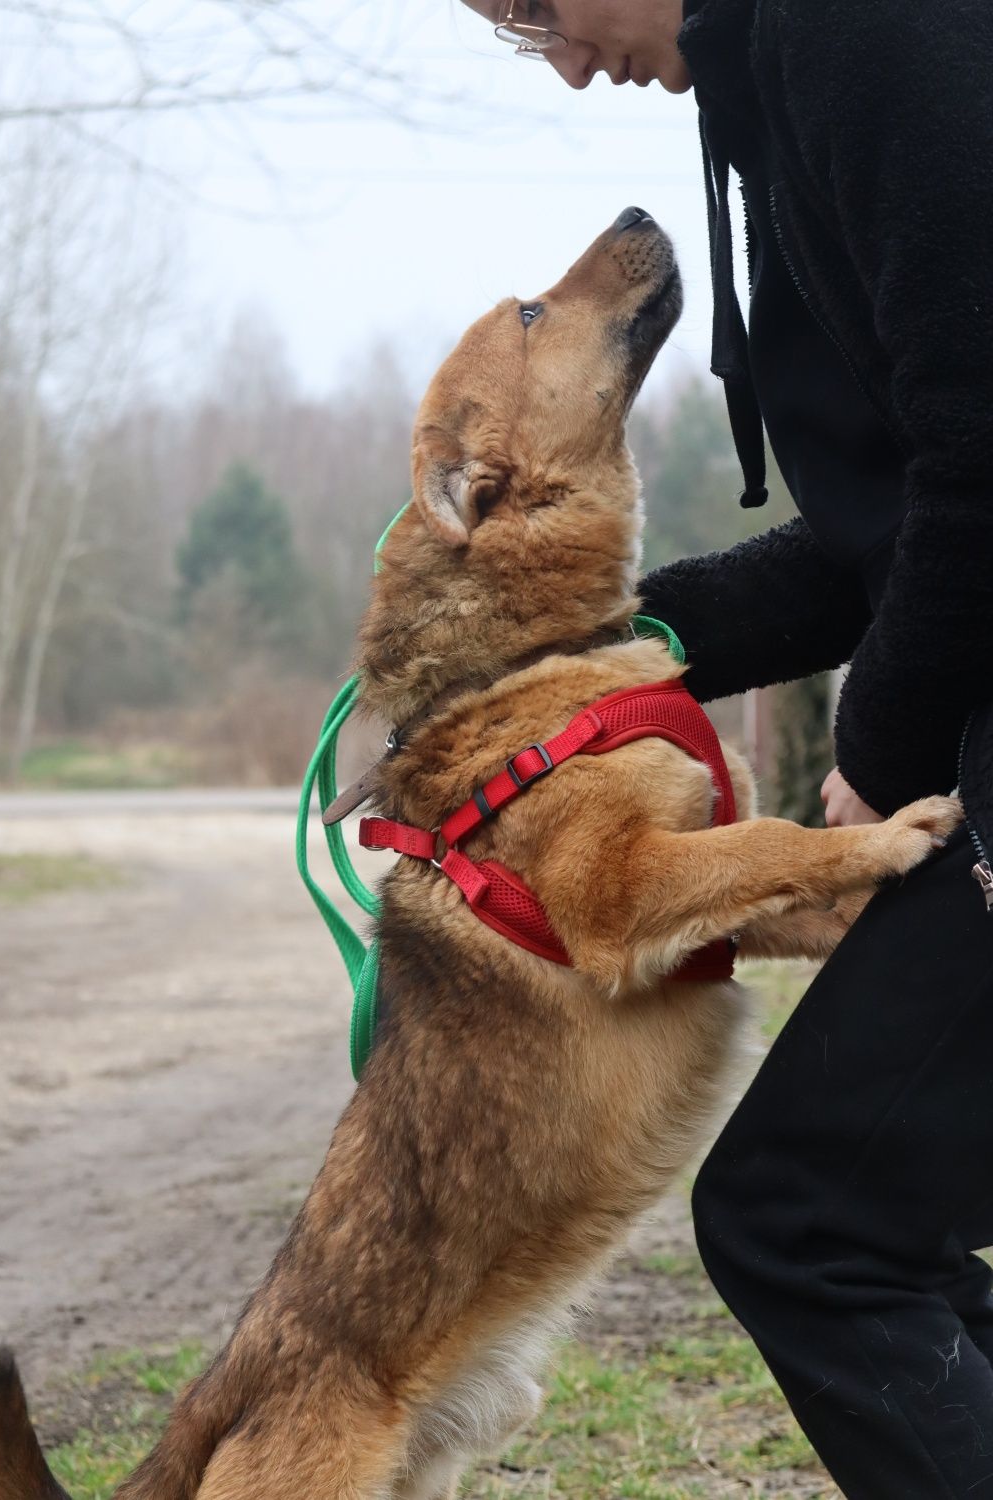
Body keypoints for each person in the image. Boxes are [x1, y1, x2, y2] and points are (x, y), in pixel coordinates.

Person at [461, 3, 993, 1496]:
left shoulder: (866, 30)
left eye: (542, 8)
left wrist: (877, 752)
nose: (563, 60)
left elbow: (980, 461)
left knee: (811, 1221)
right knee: (872, 1226)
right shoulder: (784, 69)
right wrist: (587, 648)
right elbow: (884, 535)